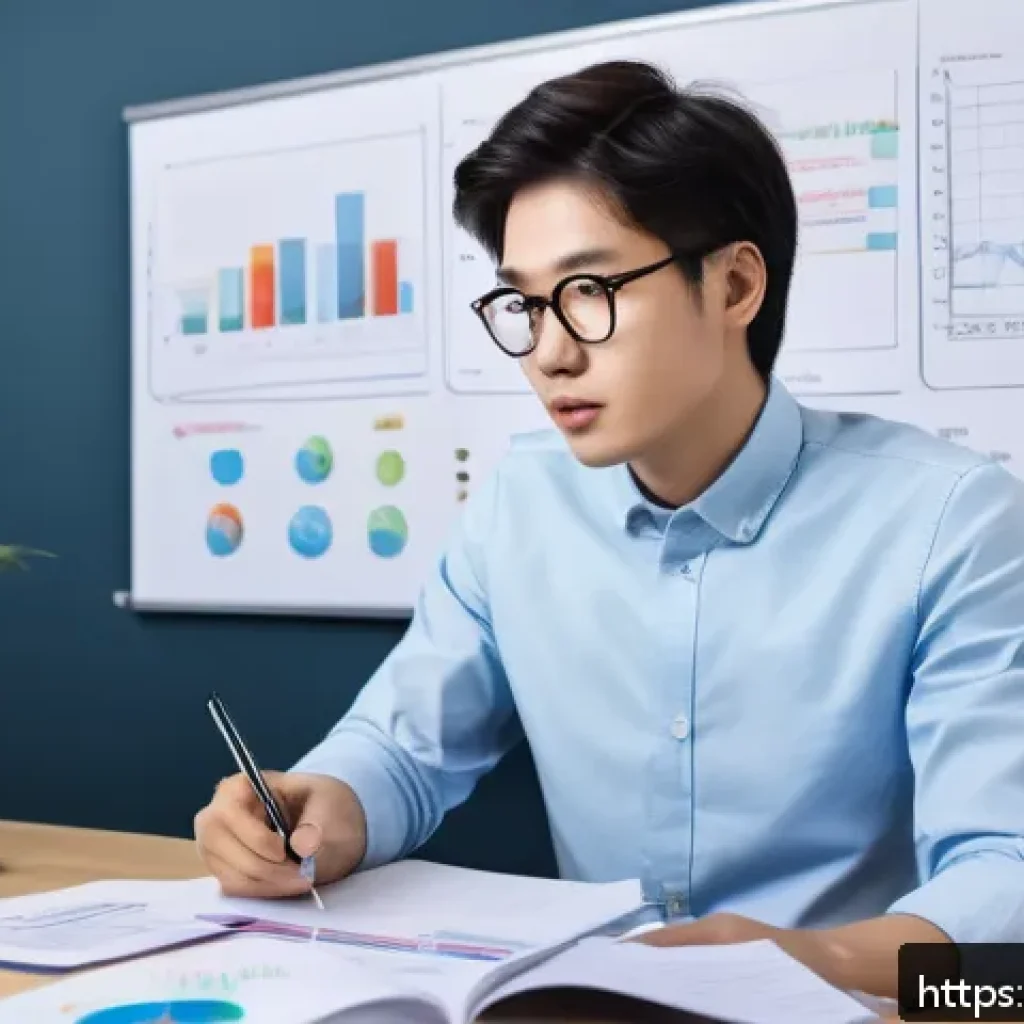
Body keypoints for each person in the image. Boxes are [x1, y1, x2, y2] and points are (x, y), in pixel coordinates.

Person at [194, 59, 1024, 997]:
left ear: (736, 285)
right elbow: (403, 748)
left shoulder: (949, 520)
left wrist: (817, 961)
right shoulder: (520, 507)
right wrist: (324, 808)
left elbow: (1008, 874)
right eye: (523, 303)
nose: (548, 351)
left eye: (589, 291)